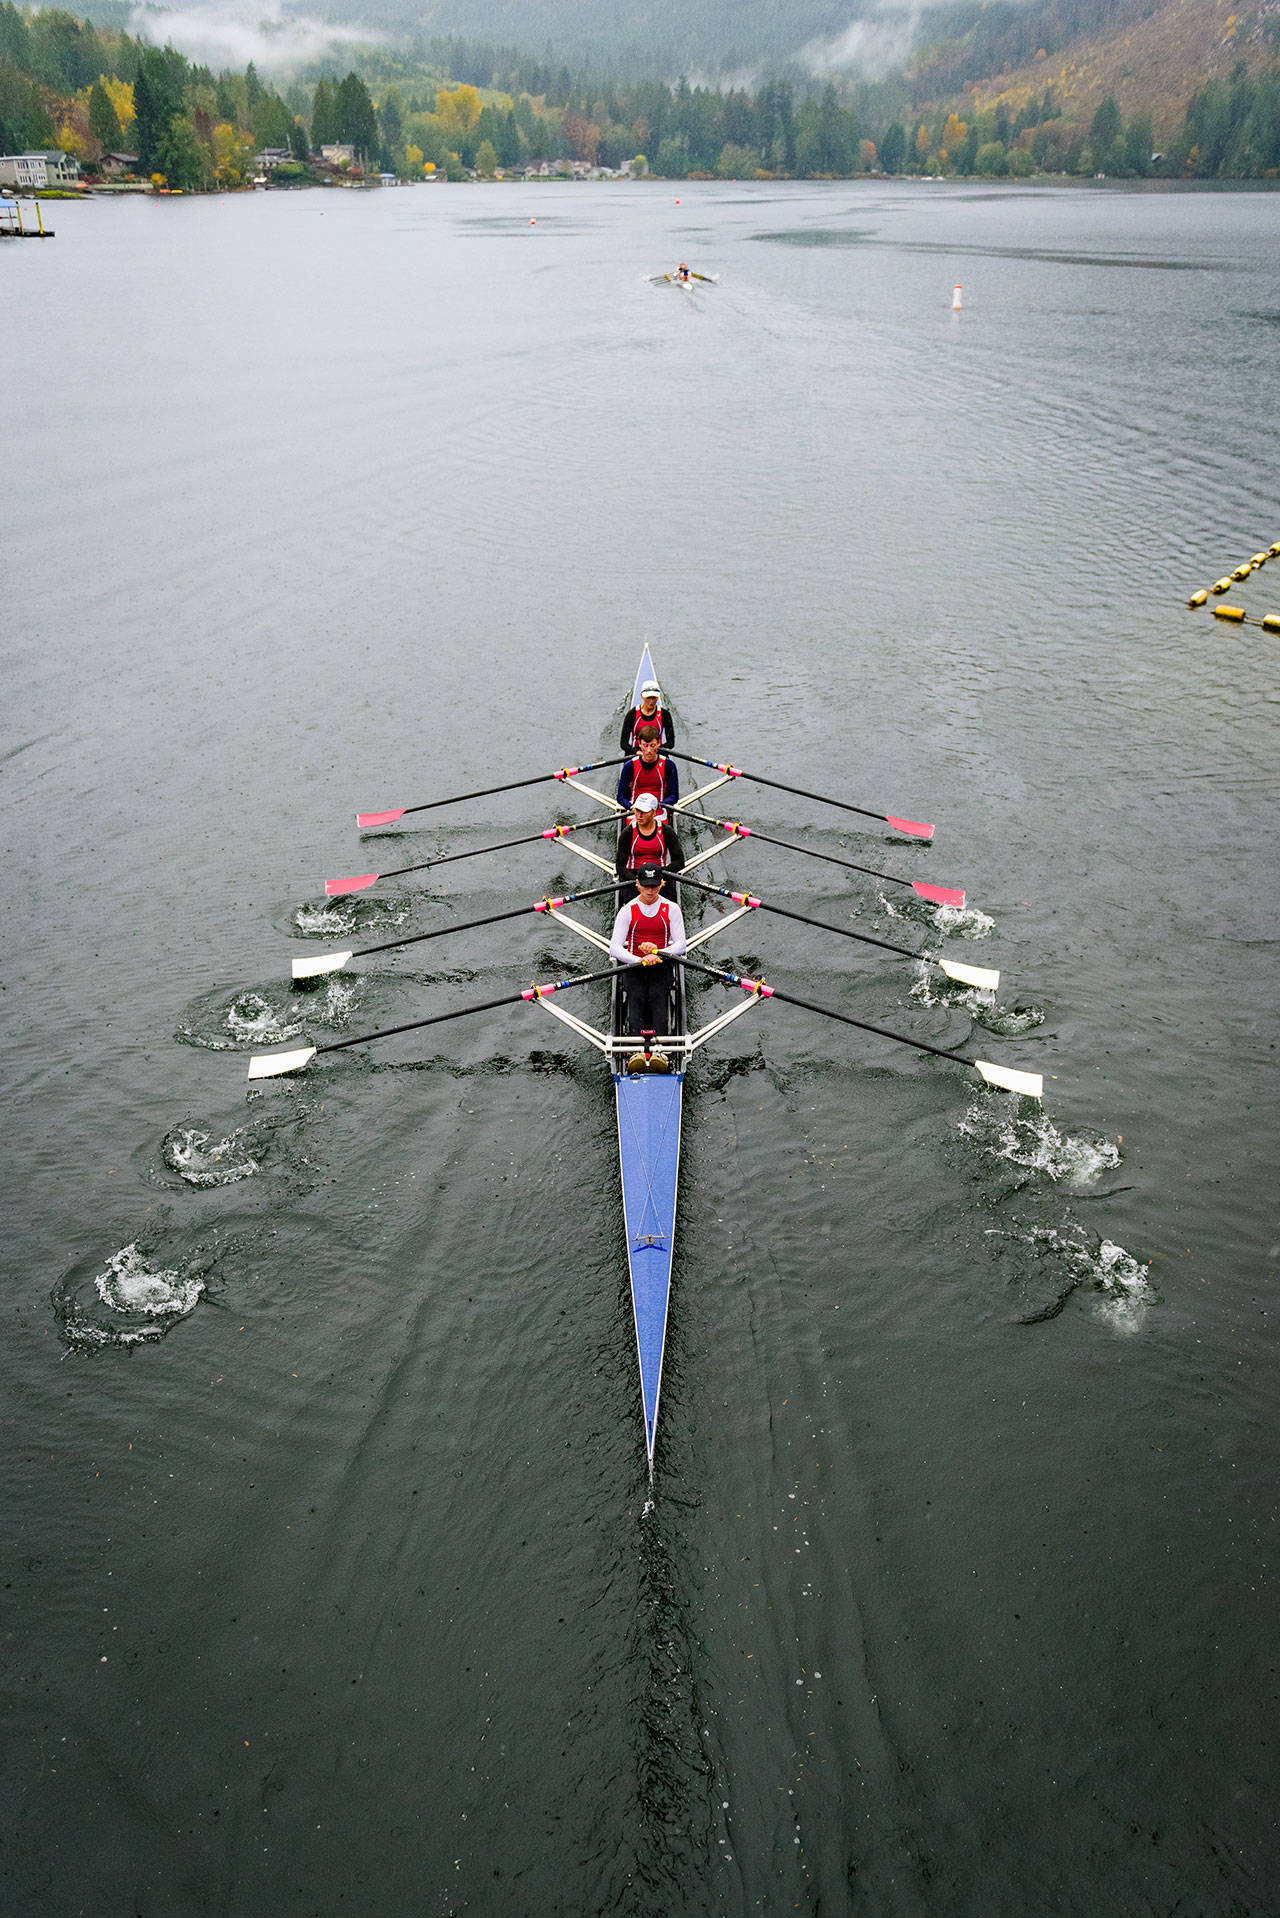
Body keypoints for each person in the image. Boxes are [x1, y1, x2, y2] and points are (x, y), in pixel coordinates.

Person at [608, 866, 687, 1061]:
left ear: (662, 884)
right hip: (635, 965)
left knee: (657, 995)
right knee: (637, 996)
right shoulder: (627, 911)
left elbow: (681, 945)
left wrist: (657, 953)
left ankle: (660, 1051)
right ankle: (636, 1050)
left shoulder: (672, 909)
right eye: (645, 886)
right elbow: (615, 948)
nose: (650, 891)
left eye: (654, 886)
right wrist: (640, 960)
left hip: (661, 964)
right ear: (637, 884)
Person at [615, 791, 685, 884]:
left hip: (660, 876)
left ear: (654, 812)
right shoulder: (627, 833)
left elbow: (679, 862)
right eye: (637, 810)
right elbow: (620, 867)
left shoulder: (666, 831)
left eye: (644, 812)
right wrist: (636, 880)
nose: (639, 815)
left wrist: (658, 875)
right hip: (634, 877)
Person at [616, 726, 679, 810]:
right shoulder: (630, 766)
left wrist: (661, 804)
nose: (649, 750)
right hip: (636, 809)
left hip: (658, 808)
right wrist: (632, 807)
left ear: (658, 744)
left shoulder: (668, 765)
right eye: (645, 746)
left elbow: (674, 795)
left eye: (652, 745)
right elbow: (620, 796)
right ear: (640, 745)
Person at [619, 678, 674, 752]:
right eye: (648, 698)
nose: (651, 701)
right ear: (642, 696)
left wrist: (654, 750)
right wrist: (637, 752)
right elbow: (623, 744)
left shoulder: (665, 714)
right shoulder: (632, 714)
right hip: (637, 751)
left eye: (654, 698)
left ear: (658, 697)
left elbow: (671, 743)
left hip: (657, 750)